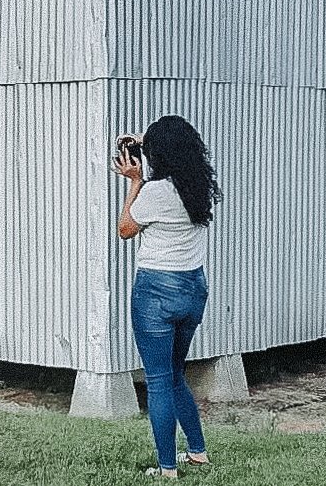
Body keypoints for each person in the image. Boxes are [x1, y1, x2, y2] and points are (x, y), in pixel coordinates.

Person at [113, 116, 222, 477]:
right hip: (193, 290)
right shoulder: (198, 185)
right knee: (176, 375)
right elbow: (176, 147)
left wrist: (134, 182)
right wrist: (144, 140)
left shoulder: (155, 192)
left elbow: (126, 229)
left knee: (158, 380)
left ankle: (166, 468)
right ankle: (198, 452)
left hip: (156, 291)